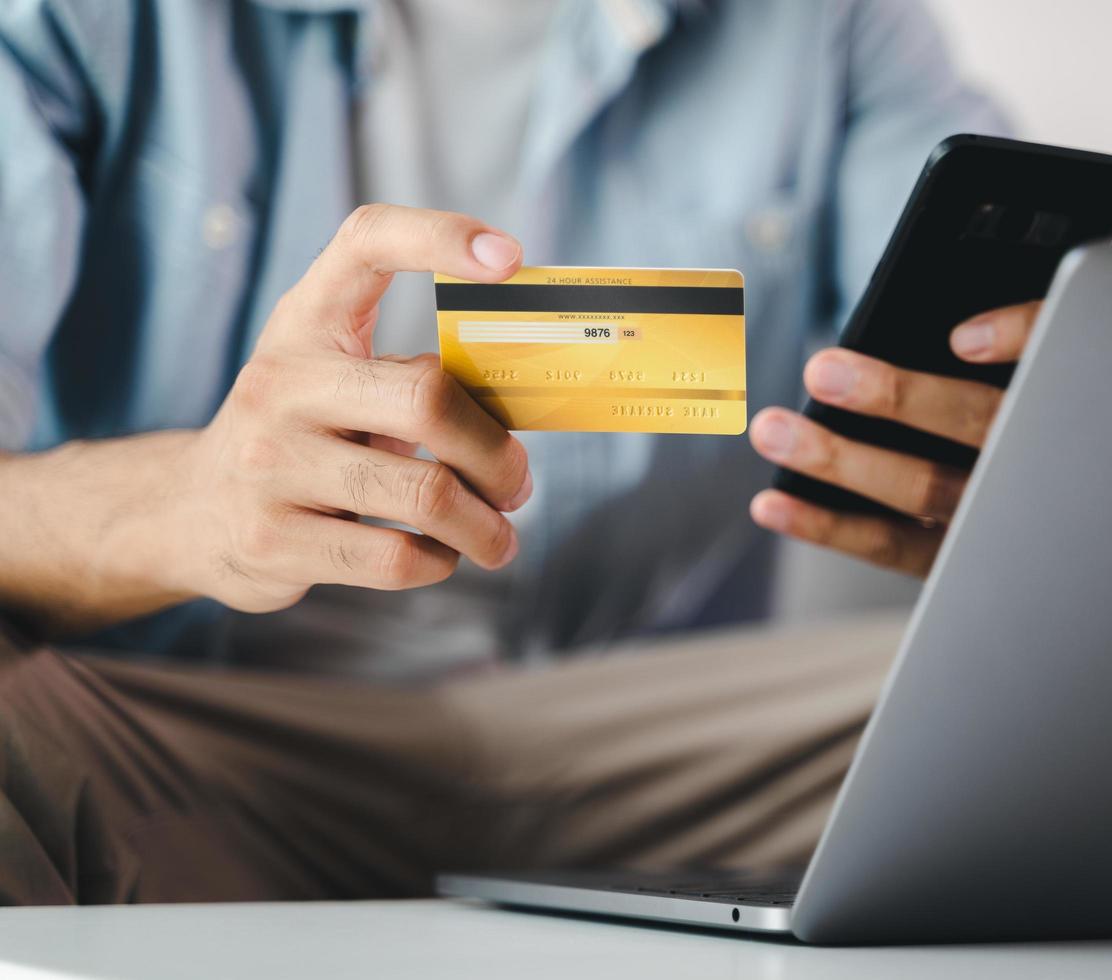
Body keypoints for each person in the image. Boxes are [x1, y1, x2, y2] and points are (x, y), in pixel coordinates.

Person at [0, 0, 1035, 904]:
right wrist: (189, 501)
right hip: (179, 740)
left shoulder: (822, 21)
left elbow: (1019, 371)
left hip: (633, 748)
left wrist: (1027, 487)